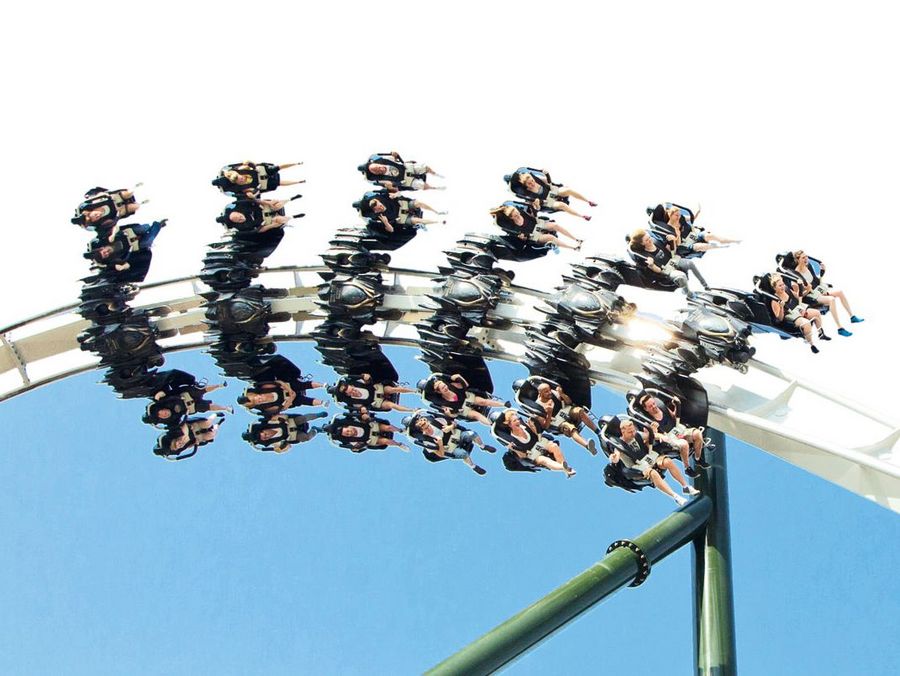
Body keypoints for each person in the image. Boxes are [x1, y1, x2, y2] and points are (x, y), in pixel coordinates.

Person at [607, 418, 699, 506]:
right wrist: (613, 458)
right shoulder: (619, 445)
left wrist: (661, 435)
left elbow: (650, 436)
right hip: (637, 468)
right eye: (630, 432)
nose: (633, 433)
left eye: (633, 430)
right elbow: (616, 457)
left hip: (647, 459)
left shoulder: (636, 434)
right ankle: (676, 497)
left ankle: (685, 486)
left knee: (667, 461)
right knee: (653, 473)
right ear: (623, 432)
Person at [788, 250, 863, 337]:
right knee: (831, 299)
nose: (806, 259)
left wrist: (822, 273)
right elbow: (798, 297)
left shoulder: (808, 266)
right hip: (809, 296)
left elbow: (817, 282)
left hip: (817, 291)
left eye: (806, 257)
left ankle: (852, 317)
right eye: (803, 258)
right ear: (798, 260)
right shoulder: (796, 275)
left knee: (840, 292)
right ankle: (840, 328)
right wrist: (808, 290)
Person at [637, 392, 709, 476]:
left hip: (677, 430)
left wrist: (676, 406)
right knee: (684, 444)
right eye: (650, 406)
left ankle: (698, 458)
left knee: (697, 433)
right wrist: (655, 432)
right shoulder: (647, 421)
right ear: (646, 409)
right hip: (668, 439)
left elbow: (674, 417)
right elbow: (648, 439)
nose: (654, 406)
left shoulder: (662, 407)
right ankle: (687, 467)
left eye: (653, 403)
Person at [407, 411, 495, 475]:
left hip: (457, 436)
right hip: (451, 448)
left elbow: (454, 423)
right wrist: (440, 444)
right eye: (425, 428)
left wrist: (450, 427)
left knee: (472, 434)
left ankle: (482, 446)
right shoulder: (426, 441)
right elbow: (440, 454)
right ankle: (473, 466)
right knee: (463, 453)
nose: (428, 428)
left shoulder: (437, 421)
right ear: (422, 430)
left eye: (427, 425)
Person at [495, 409, 575, 477]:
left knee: (554, 446)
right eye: (515, 421)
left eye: (518, 419)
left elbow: (536, 435)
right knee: (544, 460)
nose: (518, 421)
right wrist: (514, 449)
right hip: (531, 454)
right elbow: (522, 456)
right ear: (509, 424)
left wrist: (533, 427)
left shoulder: (524, 425)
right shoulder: (511, 438)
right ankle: (563, 467)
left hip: (539, 443)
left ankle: (566, 470)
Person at [531, 382, 598, 455]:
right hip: (555, 421)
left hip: (564, 410)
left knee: (580, 411)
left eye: (549, 390)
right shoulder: (537, 407)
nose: (549, 392)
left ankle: (597, 431)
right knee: (570, 428)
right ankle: (587, 445)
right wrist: (549, 413)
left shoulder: (553, 393)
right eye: (546, 392)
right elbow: (545, 426)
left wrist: (562, 394)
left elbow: (569, 402)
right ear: (540, 393)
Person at [505, 167, 596, 220]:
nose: (532, 183)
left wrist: (546, 174)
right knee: (562, 205)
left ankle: (589, 201)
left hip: (551, 191)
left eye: (532, 181)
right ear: (525, 185)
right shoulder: (526, 194)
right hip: (547, 201)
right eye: (529, 184)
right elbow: (535, 208)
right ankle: (582, 216)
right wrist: (536, 206)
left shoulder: (536, 179)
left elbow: (548, 182)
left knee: (568, 190)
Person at [489, 201, 583, 250]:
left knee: (555, 226)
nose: (518, 214)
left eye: (517, 212)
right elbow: (515, 234)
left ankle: (576, 239)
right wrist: (522, 237)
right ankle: (573, 247)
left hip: (537, 224)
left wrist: (535, 207)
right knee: (550, 237)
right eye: (515, 215)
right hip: (533, 235)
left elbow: (533, 213)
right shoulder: (511, 226)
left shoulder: (520, 211)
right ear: (511, 218)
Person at [421, 373, 507, 426]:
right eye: (443, 389)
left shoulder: (453, 385)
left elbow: (465, 385)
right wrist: (449, 414)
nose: (446, 388)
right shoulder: (443, 402)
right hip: (462, 409)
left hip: (466, 397)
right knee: (477, 415)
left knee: (483, 401)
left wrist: (459, 378)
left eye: (445, 386)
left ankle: (503, 404)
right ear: (439, 392)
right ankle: (490, 424)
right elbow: (454, 415)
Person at [768, 273, 823, 354]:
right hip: (789, 316)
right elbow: (780, 318)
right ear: (774, 288)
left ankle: (821, 333)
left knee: (816, 313)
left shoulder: (787, 289)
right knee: (806, 323)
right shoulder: (774, 301)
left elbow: (798, 297)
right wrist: (781, 307)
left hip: (797, 310)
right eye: (780, 286)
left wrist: (806, 289)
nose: (783, 287)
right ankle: (812, 344)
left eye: (783, 284)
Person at [87, 220, 167, 273]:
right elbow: (127, 264)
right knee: (147, 242)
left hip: (130, 233)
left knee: (145, 227)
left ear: (102, 248)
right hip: (135, 245)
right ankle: (158, 225)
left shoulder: (105, 240)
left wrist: (113, 234)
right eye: (106, 255)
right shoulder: (114, 259)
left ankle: (154, 227)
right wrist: (122, 267)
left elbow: (115, 227)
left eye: (104, 252)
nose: (107, 252)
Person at [143, 380, 232, 427]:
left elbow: (163, 395)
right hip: (191, 407)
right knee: (205, 407)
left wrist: (159, 396)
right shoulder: (172, 419)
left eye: (160, 413)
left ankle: (220, 385)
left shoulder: (163, 402)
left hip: (185, 395)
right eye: (161, 416)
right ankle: (225, 408)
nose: (164, 414)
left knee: (200, 390)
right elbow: (177, 425)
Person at [628, 229, 690, 293]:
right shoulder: (645, 257)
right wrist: (652, 265)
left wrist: (673, 242)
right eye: (647, 240)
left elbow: (672, 253)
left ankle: (700, 282)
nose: (650, 240)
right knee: (681, 276)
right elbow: (659, 271)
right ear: (642, 243)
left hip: (671, 262)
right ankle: (688, 294)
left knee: (689, 263)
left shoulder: (656, 242)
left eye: (649, 237)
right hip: (665, 271)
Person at [355, 191, 446, 232]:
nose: (381, 207)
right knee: (417, 220)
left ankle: (437, 212)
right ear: (375, 210)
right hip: (401, 218)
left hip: (402, 205)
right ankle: (438, 222)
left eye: (380, 205)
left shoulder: (382, 197)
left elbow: (397, 193)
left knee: (418, 203)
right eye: (379, 208)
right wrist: (386, 223)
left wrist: (395, 195)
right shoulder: (379, 217)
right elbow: (391, 230)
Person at [329, 408, 409, 452]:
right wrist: (358, 447)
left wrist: (365, 415)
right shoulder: (350, 441)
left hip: (370, 426)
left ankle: (400, 430)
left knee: (387, 428)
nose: (349, 433)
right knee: (385, 441)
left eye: (347, 431)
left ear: (347, 427)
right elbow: (355, 448)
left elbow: (356, 413)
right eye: (347, 434)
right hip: (369, 439)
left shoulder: (349, 421)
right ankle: (399, 444)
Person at [242, 412, 329, 453]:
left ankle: (318, 415)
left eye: (265, 434)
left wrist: (282, 419)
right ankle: (316, 430)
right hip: (291, 435)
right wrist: (284, 445)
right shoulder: (274, 443)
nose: (267, 436)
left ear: (263, 430)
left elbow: (280, 416)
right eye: (265, 438)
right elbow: (281, 449)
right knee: (306, 438)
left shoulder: (269, 423)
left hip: (290, 423)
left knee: (302, 419)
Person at [328, 373, 416, 413]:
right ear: (347, 395)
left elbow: (367, 378)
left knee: (393, 389)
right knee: (391, 405)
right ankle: (412, 410)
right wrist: (362, 409)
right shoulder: (353, 402)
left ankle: (415, 391)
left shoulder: (356, 381)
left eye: (353, 389)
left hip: (376, 389)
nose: (354, 392)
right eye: (351, 393)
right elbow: (362, 408)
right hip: (376, 401)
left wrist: (366, 377)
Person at [153, 413, 225, 461]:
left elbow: (181, 424)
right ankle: (217, 425)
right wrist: (195, 444)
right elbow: (188, 446)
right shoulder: (177, 450)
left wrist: (186, 430)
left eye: (174, 445)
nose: (178, 446)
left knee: (208, 423)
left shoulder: (172, 434)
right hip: (195, 437)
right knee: (211, 435)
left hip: (192, 426)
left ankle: (215, 415)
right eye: (176, 448)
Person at [358, 151, 444, 191]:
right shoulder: (379, 179)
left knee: (425, 167)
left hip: (405, 168)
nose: (380, 169)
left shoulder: (382, 160)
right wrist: (390, 186)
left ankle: (438, 175)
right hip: (403, 181)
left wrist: (394, 154)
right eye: (376, 171)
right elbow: (390, 186)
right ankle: (436, 188)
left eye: (378, 167)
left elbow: (394, 156)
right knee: (421, 185)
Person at [217, 195, 304, 233]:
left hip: (263, 208)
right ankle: (294, 217)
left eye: (239, 216)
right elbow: (258, 231)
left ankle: (290, 199)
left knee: (276, 205)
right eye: (238, 220)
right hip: (265, 221)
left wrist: (267, 203)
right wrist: (272, 226)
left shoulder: (240, 205)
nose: (241, 218)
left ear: (236, 212)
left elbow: (255, 201)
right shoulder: (241, 227)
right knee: (278, 220)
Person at [212, 161, 304, 197]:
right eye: (239, 181)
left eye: (240, 178)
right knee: (278, 183)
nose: (241, 179)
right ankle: (298, 182)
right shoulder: (243, 187)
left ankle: (296, 164)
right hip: (261, 184)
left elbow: (247, 162)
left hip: (260, 172)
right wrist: (255, 190)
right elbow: (251, 192)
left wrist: (254, 167)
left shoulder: (241, 170)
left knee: (276, 168)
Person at [72, 186, 142, 230]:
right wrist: (118, 216)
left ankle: (136, 187)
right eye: (97, 218)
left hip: (113, 199)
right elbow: (112, 223)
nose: (98, 215)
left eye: (95, 215)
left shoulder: (93, 203)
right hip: (117, 210)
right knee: (133, 207)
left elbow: (99, 195)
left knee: (127, 194)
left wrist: (105, 195)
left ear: (90, 212)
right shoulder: (101, 222)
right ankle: (141, 203)